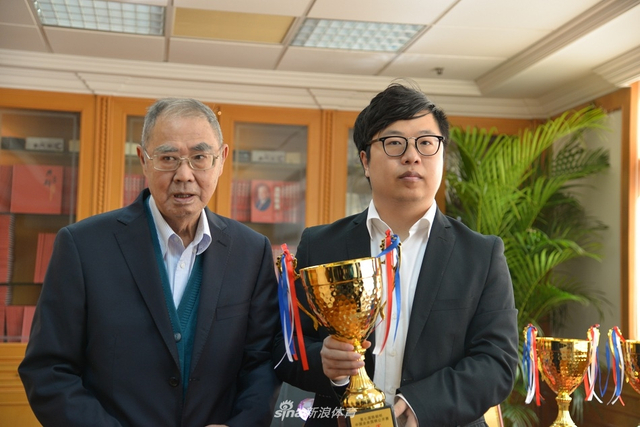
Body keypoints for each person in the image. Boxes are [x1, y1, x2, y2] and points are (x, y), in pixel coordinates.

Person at [19, 98, 282, 427]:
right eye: (168, 158)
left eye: (199, 157)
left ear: (221, 160)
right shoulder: (82, 246)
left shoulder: (251, 251)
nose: (184, 175)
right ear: (143, 160)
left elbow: (262, 362)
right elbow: (48, 370)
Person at [273, 83, 519, 426]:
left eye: (426, 143)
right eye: (394, 143)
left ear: (441, 155)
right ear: (365, 161)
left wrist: (421, 406)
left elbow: (497, 363)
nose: (412, 156)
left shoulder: (481, 254)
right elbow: (283, 350)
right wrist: (326, 363)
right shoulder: (320, 245)